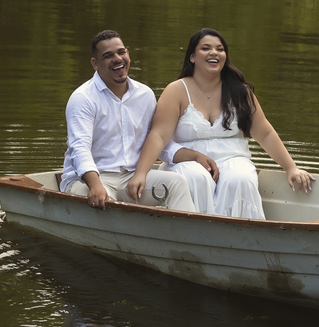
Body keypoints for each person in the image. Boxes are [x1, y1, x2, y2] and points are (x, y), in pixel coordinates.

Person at [129, 28, 314, 218]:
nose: (214, 53)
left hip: (233, 158)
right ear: (192, 57)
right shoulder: (176, 90)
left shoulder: (240, 92)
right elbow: (158, 135)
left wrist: (291, 167)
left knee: (240, 180)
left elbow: (265, 133)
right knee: (195, 178)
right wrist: (141, 173)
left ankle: (240, 238)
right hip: (187, 161)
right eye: (206, 48)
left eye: (220, 49)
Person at [61, 30, 219, 211]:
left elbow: (157, 143)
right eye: (108, 56)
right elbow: (79, 148)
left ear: (128, 54)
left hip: (131, 177)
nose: (117, 59)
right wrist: (95, 184)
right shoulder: (83, 98)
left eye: (121, 52)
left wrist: (195, 156)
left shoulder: (144, 95)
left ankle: (189, 237)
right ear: (95, 63)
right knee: (106, 204)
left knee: (177, 183)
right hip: (90, 178)